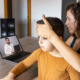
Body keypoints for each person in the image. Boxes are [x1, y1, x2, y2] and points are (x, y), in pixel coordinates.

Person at [1, 17, 80, 80]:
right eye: (39, 37)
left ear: (58, 39)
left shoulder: (70, 62)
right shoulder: (39, 52)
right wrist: (11, 74)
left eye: (45, 38)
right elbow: (24, 64)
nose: (40, 41)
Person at [36, 2, 80, 72]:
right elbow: (59, 50)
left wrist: (51, 35)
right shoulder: (72, 39)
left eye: (69, 19)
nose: (66, 23)